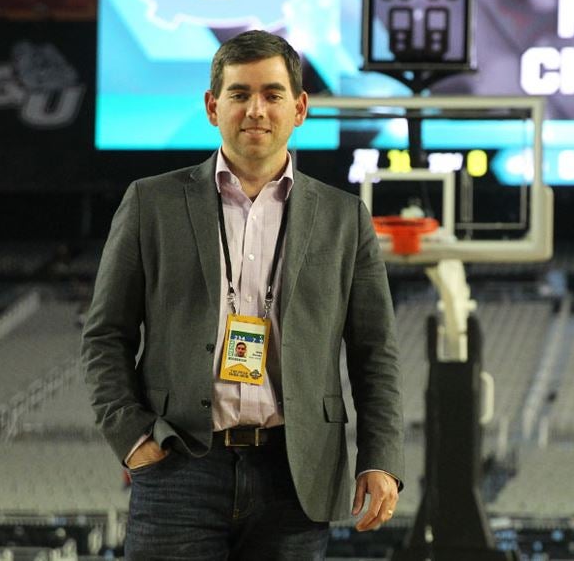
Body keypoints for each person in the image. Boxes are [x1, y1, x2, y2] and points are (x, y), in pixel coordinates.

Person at [81, 30, 404, 560]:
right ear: (213, 107)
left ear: (299, 108)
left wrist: (380, 458)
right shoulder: (150, 203)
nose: (256, 109)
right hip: (180, 462)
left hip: (296, 473)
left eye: (273, 94)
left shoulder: (345, 219)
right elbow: (105, 336)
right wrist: (133, 437)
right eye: (239, 94)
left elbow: (377, 354)